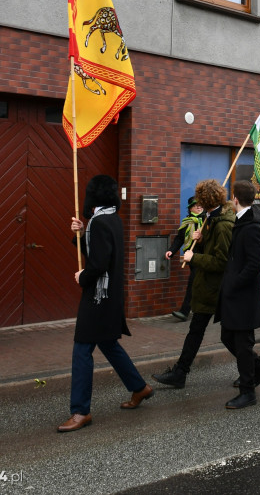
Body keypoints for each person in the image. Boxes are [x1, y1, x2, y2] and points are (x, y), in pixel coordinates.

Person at [58, 175, 152, 433]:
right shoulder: (110, 218)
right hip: (110, 294)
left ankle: (80, 411)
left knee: (81, 349)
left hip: (98, 295)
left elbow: (97, 264)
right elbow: (98, 251)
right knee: (108, 343)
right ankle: (139, 387)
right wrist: (80, 233)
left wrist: (82, 277)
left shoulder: (98, 222)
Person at [152, 179, 234, 389]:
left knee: (231, 337)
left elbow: (221, 261)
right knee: (196, 330)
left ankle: (255, 366)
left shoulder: (223, 224)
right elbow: (208, 247)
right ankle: (180, 372)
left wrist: (193, 258)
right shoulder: (210, 219)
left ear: (205, 200)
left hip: (216, 288)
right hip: (206, 287)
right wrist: (202, 238)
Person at [214, 180, 260, 410]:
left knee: (242, 344)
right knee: (228, 337)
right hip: (234, 295)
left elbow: (255, 264)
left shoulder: (251, 227)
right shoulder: (241, 222)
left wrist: (233, 285)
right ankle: (259, 367)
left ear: (235, 199)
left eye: (231, 197)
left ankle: (248, 391)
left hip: (243, 297)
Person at [166, 197, 205, 321]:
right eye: (196, 205)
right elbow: (179, 239)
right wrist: (171, 251)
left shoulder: (207, 221)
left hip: (205, 258)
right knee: (197, 284)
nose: (199, 207)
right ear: (190, 208)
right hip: (192, 259)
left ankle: (185, 312)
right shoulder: (187, 222)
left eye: (201, 205)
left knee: (194, 284)